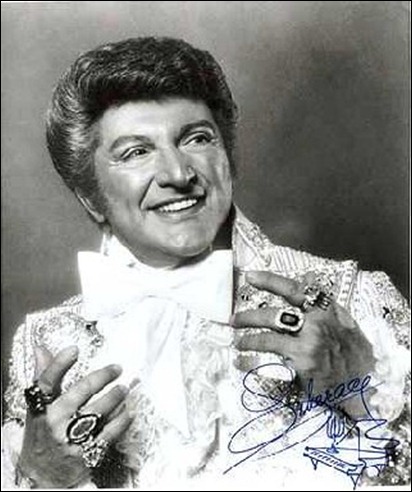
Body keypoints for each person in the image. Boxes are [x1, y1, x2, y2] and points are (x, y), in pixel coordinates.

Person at [2, 36, 410, 490]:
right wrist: (41, 478)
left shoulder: (352, 299)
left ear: (228, 158)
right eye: (136, 152)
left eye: (197, 138)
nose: (178, 174)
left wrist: (361, 392)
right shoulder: (46, 343)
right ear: (91, 198)